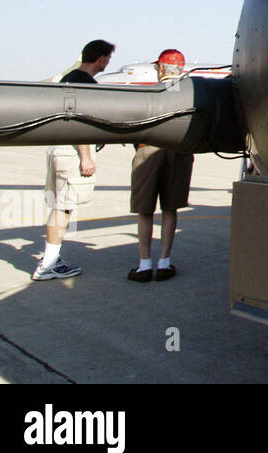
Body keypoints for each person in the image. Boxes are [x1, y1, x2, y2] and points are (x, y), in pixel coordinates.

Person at [33, 39, 114, 280]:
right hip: (73, 152)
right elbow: (79, 122)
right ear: (101, 58)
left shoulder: (68, 78)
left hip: (58, 148)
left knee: (59, 207)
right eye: (108, 59)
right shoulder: (86, 84)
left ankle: (51, 257)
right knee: (63, 208)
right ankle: (48, 264)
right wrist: (86, 157)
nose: (108, 63)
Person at [128, 49, 194, 283]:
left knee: (145, 210)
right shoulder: (190, 93)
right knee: (170, 208)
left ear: (163, 68)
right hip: (179, 151)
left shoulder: (150, 91)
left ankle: (145, 264)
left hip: (148, 149)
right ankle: (164, 262)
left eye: (158, 67)